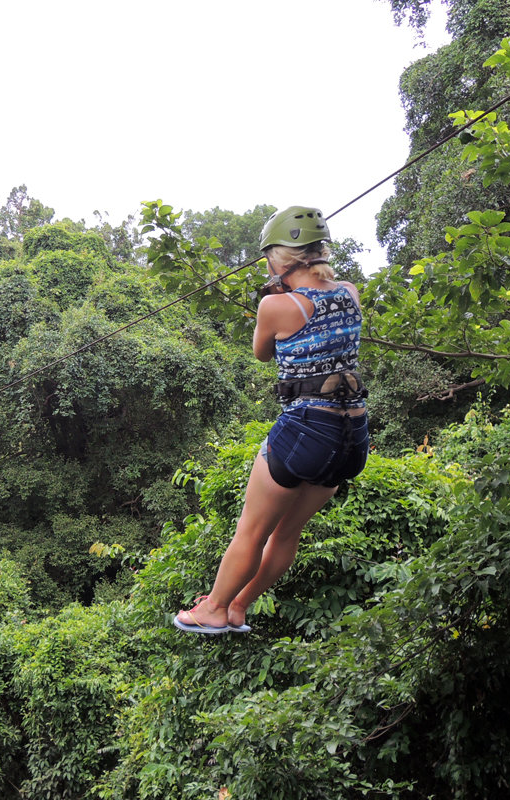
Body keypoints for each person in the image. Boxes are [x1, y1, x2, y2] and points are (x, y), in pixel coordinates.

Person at [174, 206, 370, 634]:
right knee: (287, 533)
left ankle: (212, 609)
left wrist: (276, 293)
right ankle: (238, 605)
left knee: (252, 529)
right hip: (353, 437)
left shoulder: (276, 305)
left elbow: (262, 353)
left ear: (279, 260)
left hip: (306, 429)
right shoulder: (351, 292)